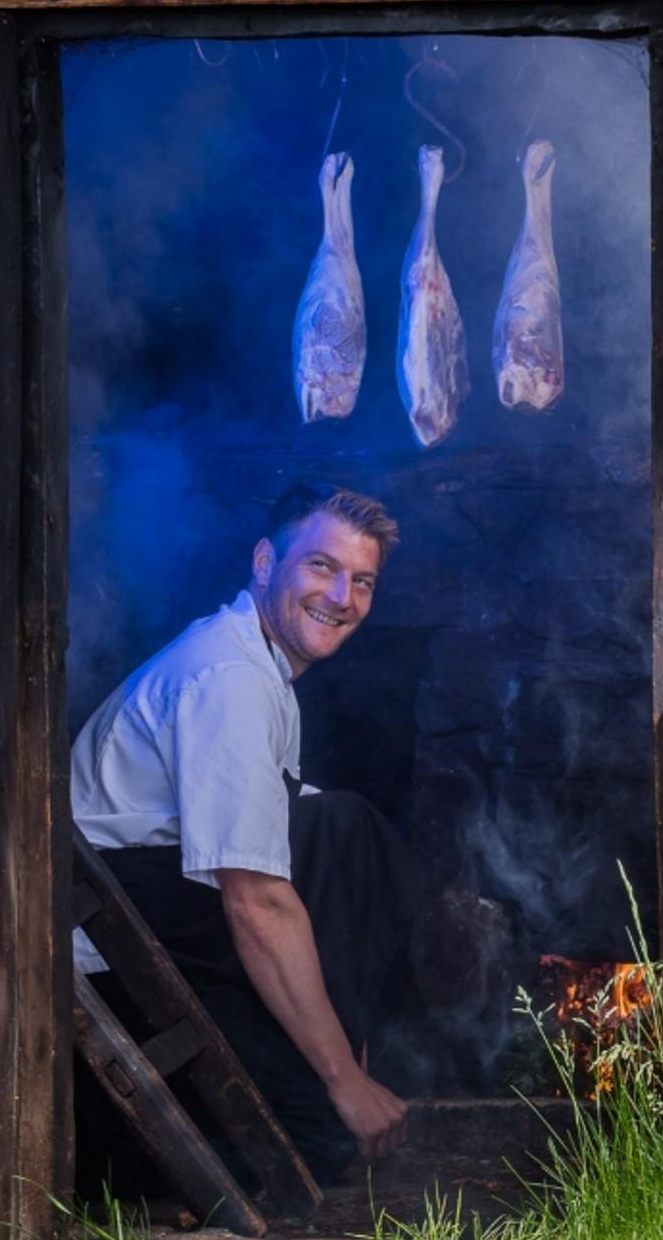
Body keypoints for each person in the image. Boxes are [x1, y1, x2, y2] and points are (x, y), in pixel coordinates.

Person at [68, 484, 418, 1181]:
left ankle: (334, 1085)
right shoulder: (228, 677)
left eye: (362, 581)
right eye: (320, 566)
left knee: (348, 833)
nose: (341, 596)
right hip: (121, 945)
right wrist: (344, 1076)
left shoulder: (260, 669)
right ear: (265, 561)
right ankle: (331, 1097)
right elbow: (254, 898)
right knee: (343, 833)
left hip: (166, 909)